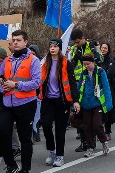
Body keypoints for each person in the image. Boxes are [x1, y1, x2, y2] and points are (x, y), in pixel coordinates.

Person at [0, 30, 41, 173]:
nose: (15, 43)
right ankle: (11, 164)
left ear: (25, 42)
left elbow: (36, 83)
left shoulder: (33, 60)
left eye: (18, 40)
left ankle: (25, 169)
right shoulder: (7, 60)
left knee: (25, 138)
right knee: (1, 132)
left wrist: (16, 85)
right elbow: (0, 79)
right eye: (13, 40)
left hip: (26, 103)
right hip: (7, 102)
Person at [40, 39, 79, 167]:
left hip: (62, 101)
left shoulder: (66, 63)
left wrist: (75, 101)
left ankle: (60, 156)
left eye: (55, 46)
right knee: (45, 125)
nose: (52, 48)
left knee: (60, 129)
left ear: (59, 48)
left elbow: (72, 83)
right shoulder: (45, 63)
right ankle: (52, 150)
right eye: (51, 46)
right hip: (47, 100)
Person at [69, 28, 102, 152]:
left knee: (90, 113)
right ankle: (84, 141)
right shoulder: (73, 49)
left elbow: (100, 61)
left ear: (83, 38)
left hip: (91, 82)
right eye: (74, 42)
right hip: (78, 83)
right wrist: (76, 58)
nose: (76, 44)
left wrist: (95, 50)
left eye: (78, 42)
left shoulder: (91, 46)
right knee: (79, 113)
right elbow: (71, 67)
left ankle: (91, 139)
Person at [78, 53, 113, 158]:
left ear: (93, 62)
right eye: (84, 64)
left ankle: (104, 142)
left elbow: (106, 88)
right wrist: (77, 102)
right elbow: (79, 87)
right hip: (86, 104)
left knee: (97, 125)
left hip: (97, 103)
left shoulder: (100, 72)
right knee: (87, 126)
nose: (86, 66)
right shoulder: (83, 73)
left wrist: (108, 104)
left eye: (88, 64)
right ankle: (90, 147)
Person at [99, 43, 115, 141]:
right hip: (98, 89)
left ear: (108, 50)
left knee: (108, 110)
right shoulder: (97, 60)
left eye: (105, 48)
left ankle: (108, 131)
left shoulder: (111, 61)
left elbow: (109, 74)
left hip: (108, 88)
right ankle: (99, 132)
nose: (103, 49)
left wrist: (101, 74)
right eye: (102, 48)